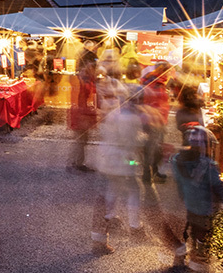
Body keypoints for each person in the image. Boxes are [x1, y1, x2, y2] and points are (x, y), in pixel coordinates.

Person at [90, 76, 144, 255]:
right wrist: (143, 145)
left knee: (110, 195)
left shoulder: (116, 113)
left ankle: (100, 237)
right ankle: (134, 227)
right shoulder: (130, 118)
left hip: (108, 159)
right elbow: (131, 142)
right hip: (120, 162)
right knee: (131, 191)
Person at [171, 126, 223, 271]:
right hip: (204, 205)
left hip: (185, 202)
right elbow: (217, 185)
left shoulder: (177, 160)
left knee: (186, 228)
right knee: (203, 232)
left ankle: (180, 257)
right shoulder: (207, 166)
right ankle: (199, 260)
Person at [68, 41, 100, 172]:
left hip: (82, 112)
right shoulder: (82, 80)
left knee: (82, 139)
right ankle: (76, 164)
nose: (95, 69)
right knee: (81, 139)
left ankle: (75, 162)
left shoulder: (85, 78)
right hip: (80, 113)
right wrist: (82, 113)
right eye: (93, 67)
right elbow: (76, 98)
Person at [140, 61, 173, 183]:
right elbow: (157, 104)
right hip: (155, 121)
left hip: (150, 119)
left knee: (152, 147)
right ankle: (147, 174)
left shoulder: (150, 80)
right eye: (169, 71)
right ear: (164, 70)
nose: (170, 73)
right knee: (153, 148)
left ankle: (152, 171)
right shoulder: (157, 84)